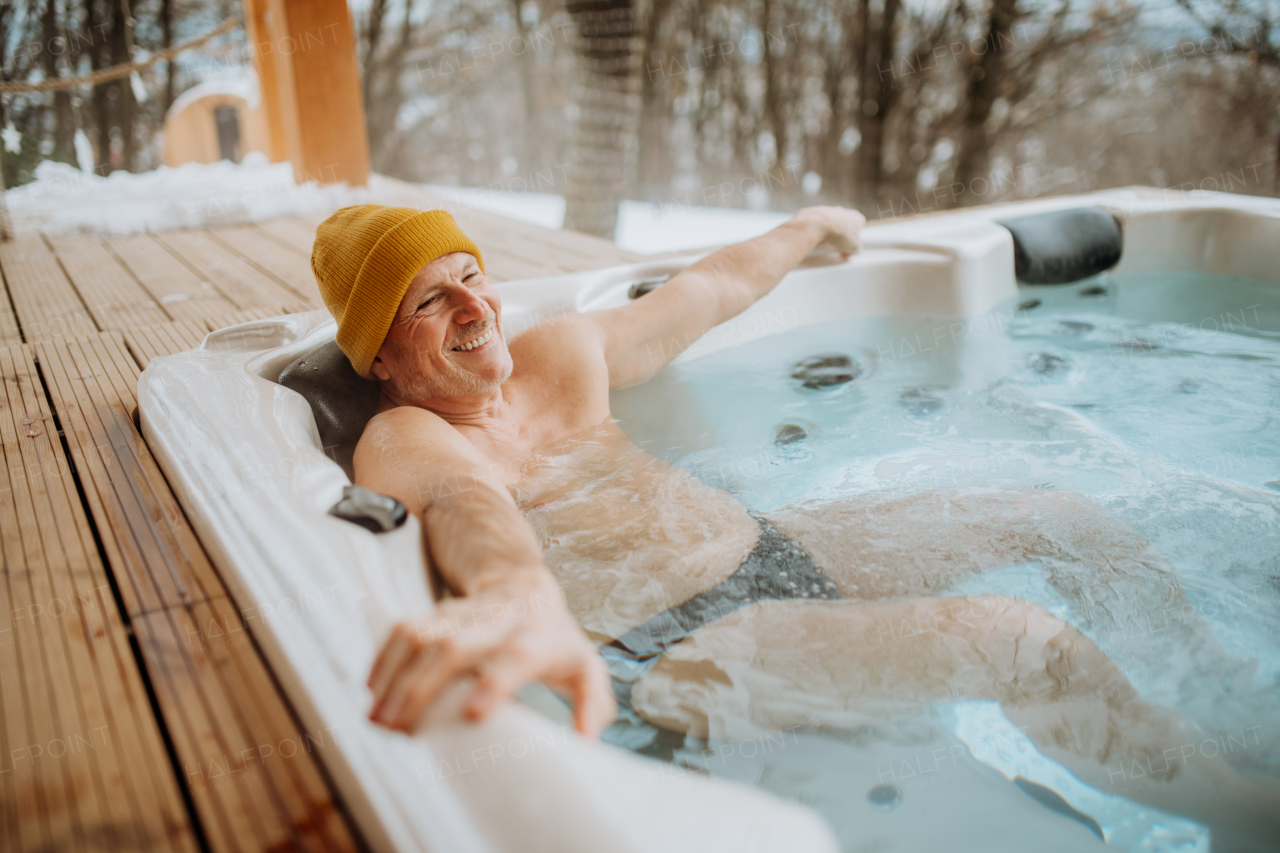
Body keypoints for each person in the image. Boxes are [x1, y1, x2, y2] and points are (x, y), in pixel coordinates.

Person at [310, 204, 1279, 849]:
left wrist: (805, 229)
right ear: (381, 355)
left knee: (1059, 517)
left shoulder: (556, 357)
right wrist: (516, 594)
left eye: (472, 275)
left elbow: (705, 294)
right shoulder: (403, 434)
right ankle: (1240, 818)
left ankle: (1225, 702)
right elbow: (465, 506)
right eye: (431, 299)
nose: (476, 306)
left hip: (767, 545)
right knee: (1020, 642)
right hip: (683, 649)